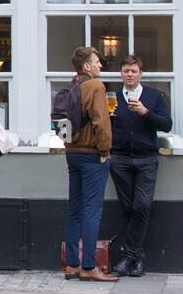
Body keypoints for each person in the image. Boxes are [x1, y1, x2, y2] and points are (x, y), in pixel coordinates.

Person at [108, 56, 171, 277]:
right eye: (126, 71)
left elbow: (166, 124)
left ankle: (129, 257)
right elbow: (105, 124)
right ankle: (137, 258)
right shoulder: (113, 97)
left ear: (140, 73)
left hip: (146, 159)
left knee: (142, 206)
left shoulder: (154, 97)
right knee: (128, 208)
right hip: (120, 159)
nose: (130, 74)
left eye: (133, 71)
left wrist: (146, 112)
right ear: (121, 74)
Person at [64, 46, 118, 282]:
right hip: (91, 154)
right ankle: (89, 266)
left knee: (74, 210)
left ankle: (72, 265)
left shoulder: (73, 85)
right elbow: (101, 121)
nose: (100, 66)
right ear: (87, 66)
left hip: (72, 152)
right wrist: (105, 150)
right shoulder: (96, 86)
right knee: (92, 210)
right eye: (97, 62)